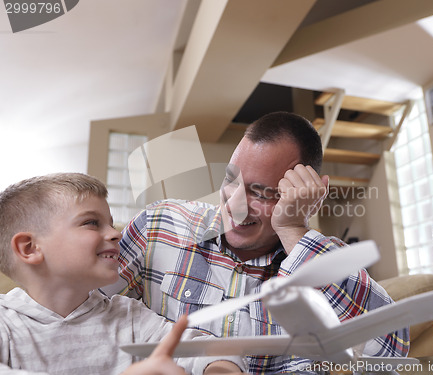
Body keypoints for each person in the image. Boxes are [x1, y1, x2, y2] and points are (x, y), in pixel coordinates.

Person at [102, 112, 410, 374]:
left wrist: (292, 228)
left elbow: (388, 356)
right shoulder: (162, 224)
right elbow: (81, 307)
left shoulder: (329, 267)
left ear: (309, 195)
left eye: (261, 192)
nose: (235, 205)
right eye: (231, 180)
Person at [0, 173, 246, 375]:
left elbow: (209, 348)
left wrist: (219, 366)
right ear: (30, 248)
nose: (116, 233)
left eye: (110, 222)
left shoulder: (128, 316)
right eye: (91, 223)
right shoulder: (5, 323)